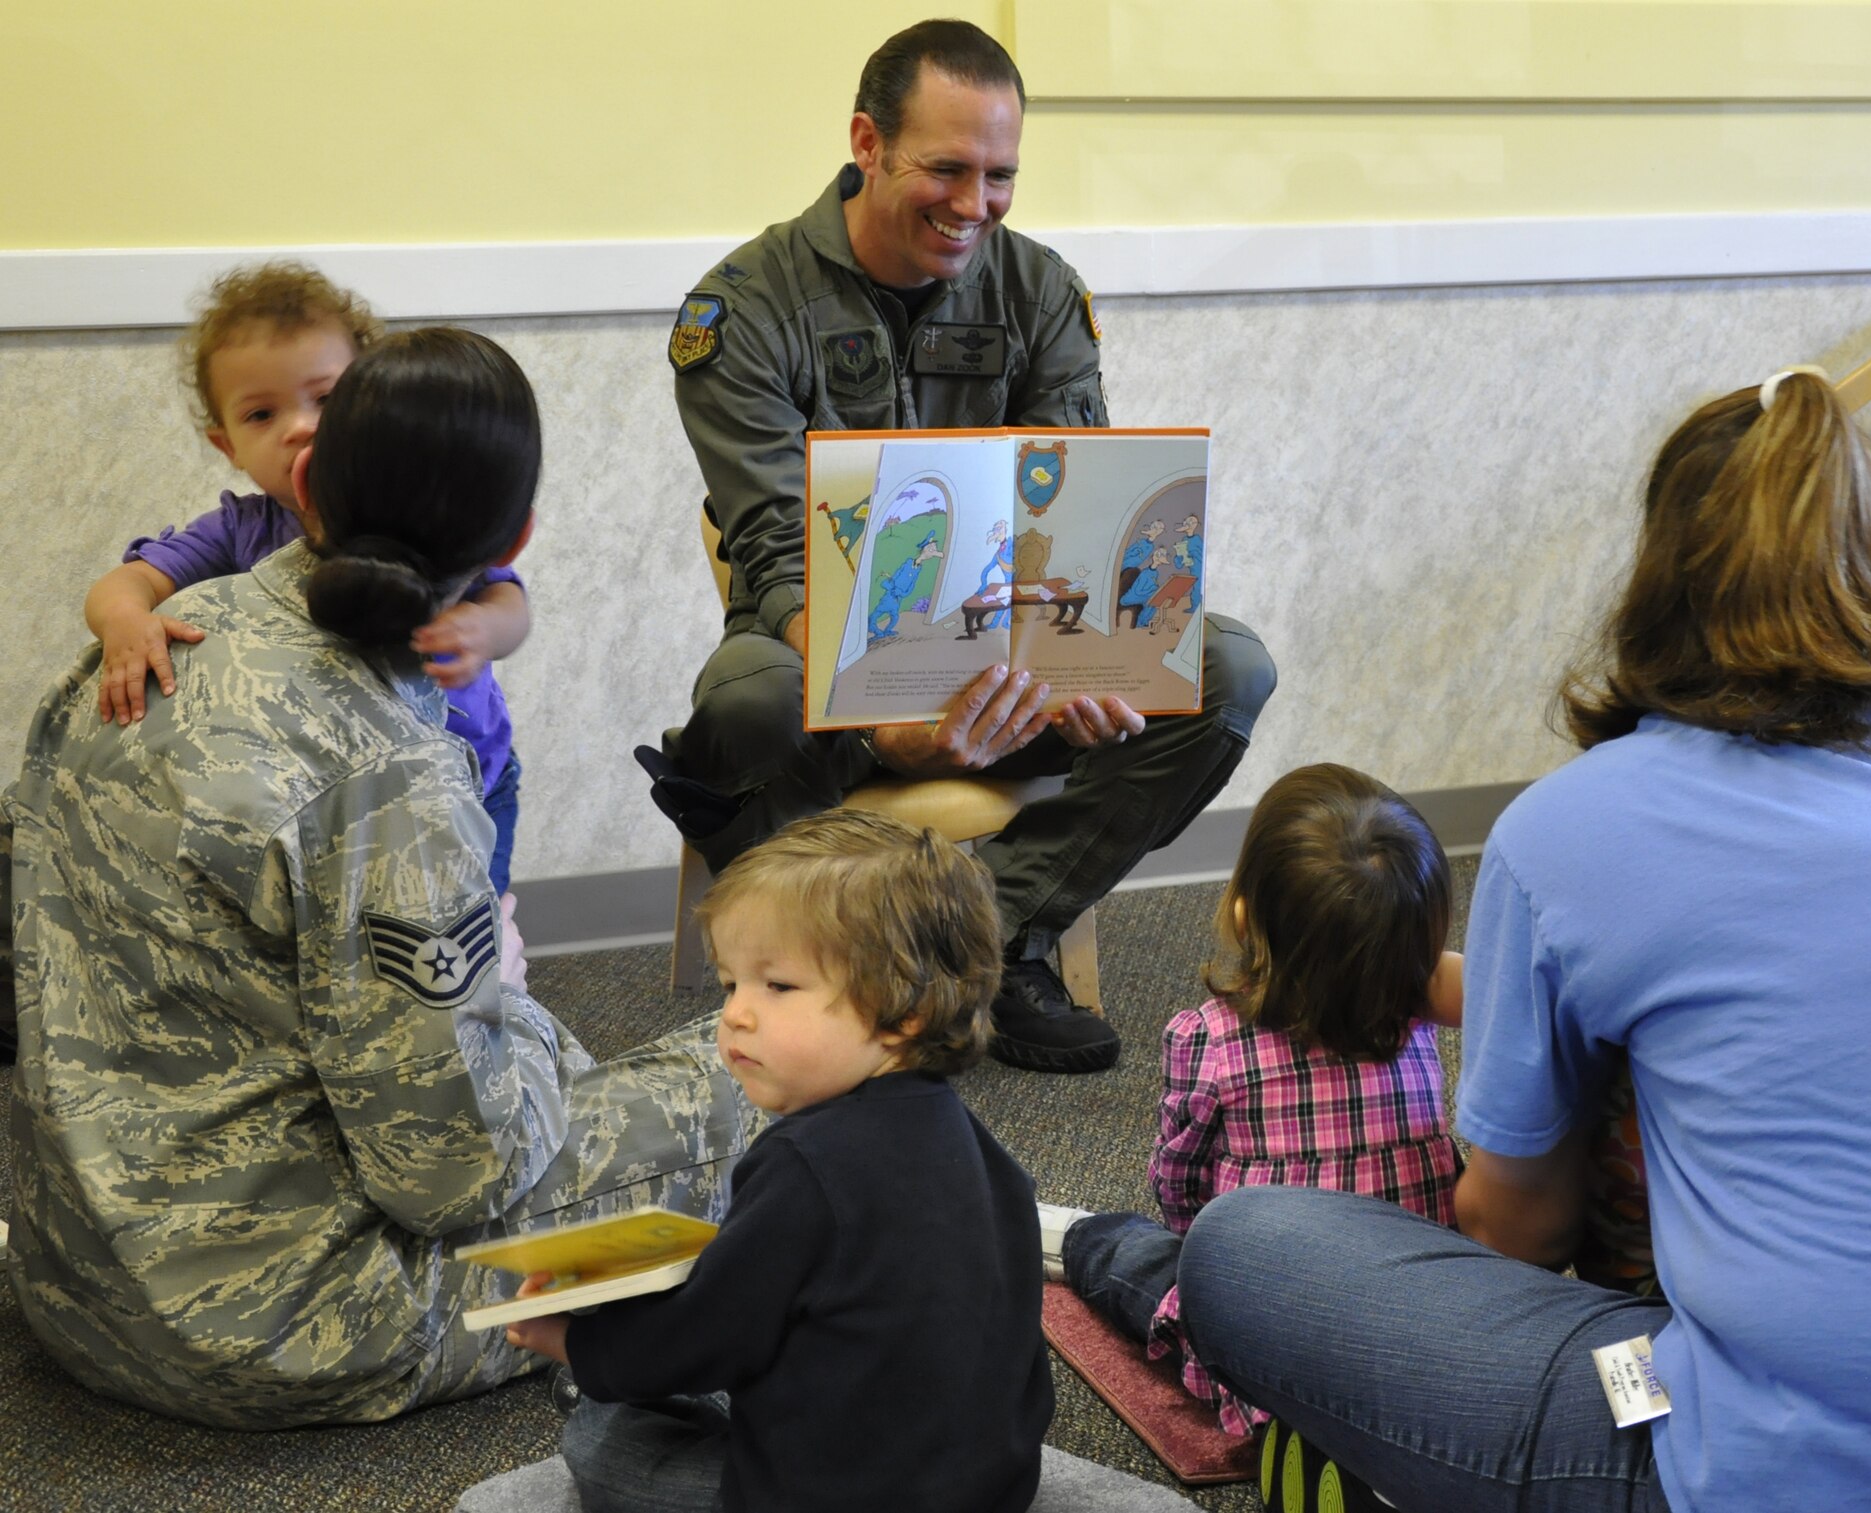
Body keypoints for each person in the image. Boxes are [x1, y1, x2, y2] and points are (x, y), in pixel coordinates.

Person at [1175, 368, 1871, 1510]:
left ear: (1660, 577)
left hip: (1747, 1453)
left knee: (1240, 1248)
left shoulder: (1573, 830)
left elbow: (1517, 1230)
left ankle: (1113, 1262)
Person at [1, 328, 746, 1429]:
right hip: (279, 1329)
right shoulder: (390, 774)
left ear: (306, 479)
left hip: (74, 1277)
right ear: (517, 539)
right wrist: (524, 1036)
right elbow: (452, 1175)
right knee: (758, 1075)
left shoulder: (135, 653)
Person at [640, 18, 1275, 1075]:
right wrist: (891, 727)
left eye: (998, 175)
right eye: (945, 168)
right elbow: (774, 549)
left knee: (1224, 668)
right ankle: (811, 969)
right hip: (819, 663)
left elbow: (1071, 521)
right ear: (865, 142)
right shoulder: (742, 311)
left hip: (1012, 656)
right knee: (744, 702)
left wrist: (1092, 663)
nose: (972, 204)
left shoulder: (1038, 292)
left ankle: (981, 938)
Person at [505, 809, 1052, 1513]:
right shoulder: (973, 1140)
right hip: (996, 1486)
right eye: (732, 984)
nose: (735, 1014)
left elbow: (696, 1340)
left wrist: (575, 1341)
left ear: (904, 1009)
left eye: (778, 987)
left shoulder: (803, 1163)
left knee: (603, 1437)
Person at [83, 262, 536, 892]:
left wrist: (485, 628)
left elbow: (510, 599)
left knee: (474, 938)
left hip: (472, 778)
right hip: (324, 801)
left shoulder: (428, 504)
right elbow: (123, 584)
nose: (301, 426)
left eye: (327, 399)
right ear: (227, 447)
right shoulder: (240, 530)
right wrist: (126, 621)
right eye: (262, 415)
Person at [1043, 764, 1462, 1435]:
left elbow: (1177, 1185)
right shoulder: (1420, 1022)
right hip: (1414, 1328)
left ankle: (1067, 1235)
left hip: (1272, 1334)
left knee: (1133, 1256)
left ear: (1243, 911)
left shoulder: (1208, 1036)